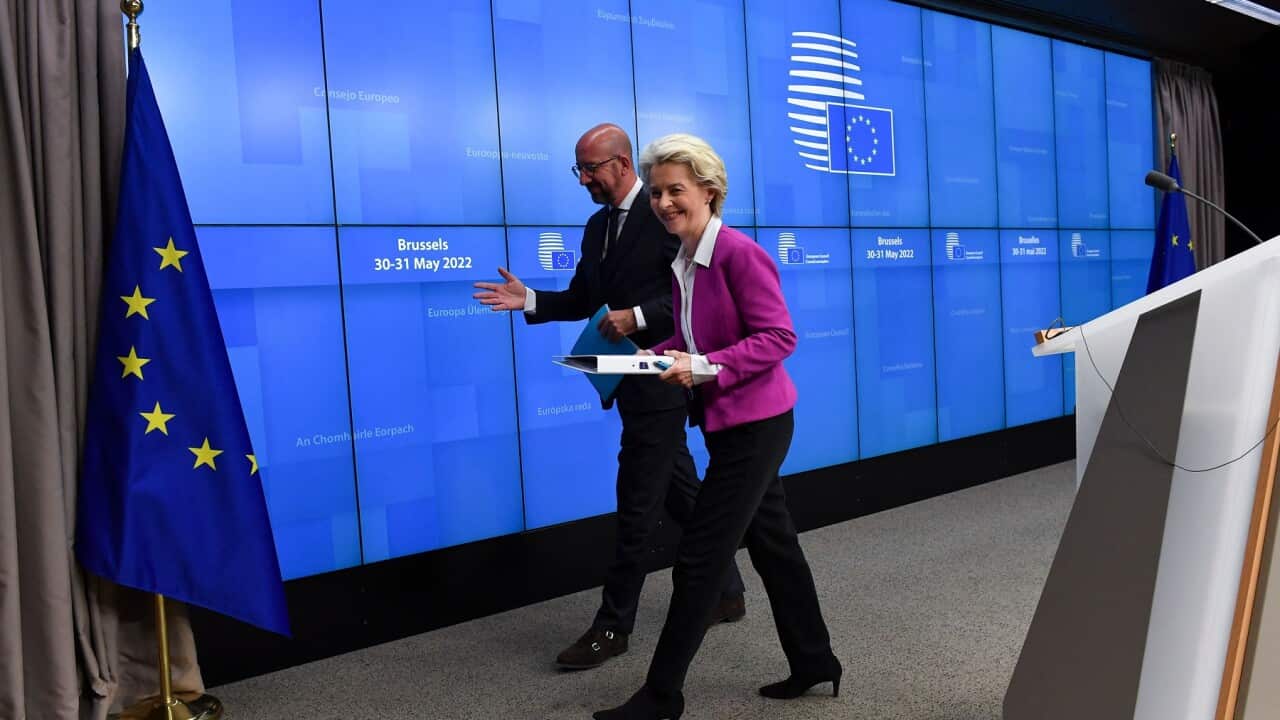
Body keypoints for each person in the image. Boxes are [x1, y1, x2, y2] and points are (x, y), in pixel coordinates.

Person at [473, 124, 747, 670]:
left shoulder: (667, 215)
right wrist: (530, 298)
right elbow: (585, 298)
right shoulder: (598, 225)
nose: (583, 179)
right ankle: (727, 590)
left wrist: (638, 317)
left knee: (635, 508)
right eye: (578, 169)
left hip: (663, 380)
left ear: (622, 163)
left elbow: (694, 301)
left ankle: (612, 628)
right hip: (628, 383)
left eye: (591, 169)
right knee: (680, 493)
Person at [593, 134, 841, 720]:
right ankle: (815, 661)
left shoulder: (737, 253)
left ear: (709, 191)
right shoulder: (683, 259)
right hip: (727, 423)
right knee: (775, 546)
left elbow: (780, 337)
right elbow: (696, 338)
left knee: (700, 559)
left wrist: (703, 366)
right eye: (655, 192)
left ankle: (662, 697)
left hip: (757, 425)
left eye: (676, 190)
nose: (663, 202)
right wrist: (650, 359)